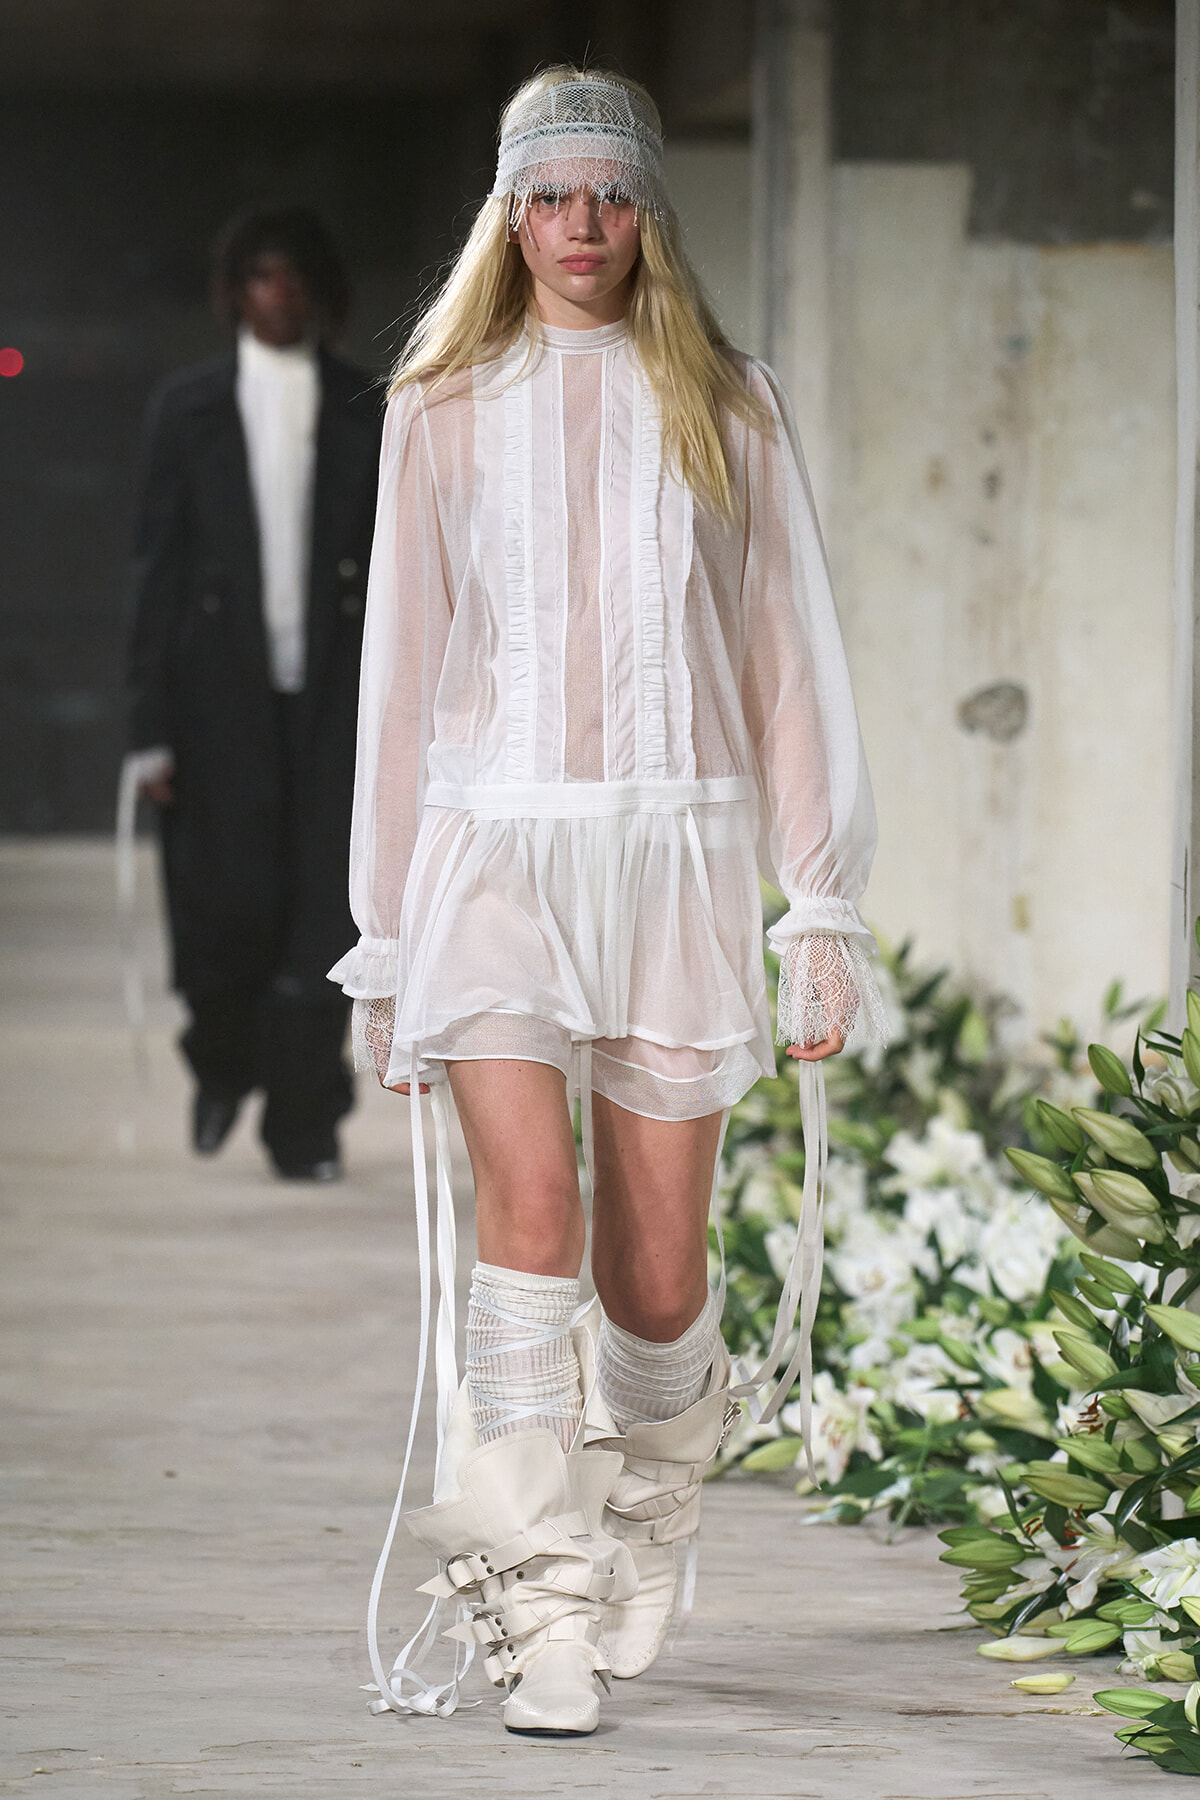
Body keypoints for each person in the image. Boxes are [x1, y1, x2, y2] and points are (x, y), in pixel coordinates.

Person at [331, 68, 887, 1735]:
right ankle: (537, 1596)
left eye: (612, 194)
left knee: (655, 1276)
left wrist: (823, 909)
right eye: (550, 194)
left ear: (652, 212)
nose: (581, 225)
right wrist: (386, 937)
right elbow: (406, 684)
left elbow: (792, 663)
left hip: (678, 857)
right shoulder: (438, 408)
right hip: (497, 854)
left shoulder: (730, 402)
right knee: (532, 1237)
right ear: (509, 215)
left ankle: (646, 1497)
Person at [125, 206, 382, 1180]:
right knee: (228, 910)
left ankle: (305, 1125)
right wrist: (148, 728)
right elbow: (153, 572)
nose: (284, 295)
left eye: (299, 277)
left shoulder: (368, 405)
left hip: (334, 704)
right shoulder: (186, 409)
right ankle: (223, 1064)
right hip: (215, 703)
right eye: (265, 277)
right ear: (235, 290)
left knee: (326, 917)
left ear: (324, 292)